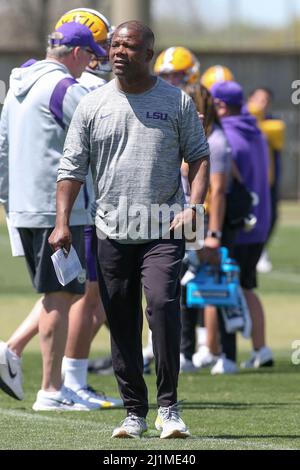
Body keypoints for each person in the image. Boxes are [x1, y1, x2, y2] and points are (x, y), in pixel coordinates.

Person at [49, 21, 210, 438]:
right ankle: (135, 412)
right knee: (121, 322)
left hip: (162, 227)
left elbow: (199, 156)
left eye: (129, 46)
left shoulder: (176, 102)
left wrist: (194, 207)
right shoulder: (92, 104)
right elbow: (71, 169)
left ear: (148, 54)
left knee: (160, 305)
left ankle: (169, 409)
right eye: (115, 45)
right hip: (110, 230)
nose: (119, 52)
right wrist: (62, 222)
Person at [0, 9, 122, 408]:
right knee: (60, 294)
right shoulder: (62, 87)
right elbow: (101, 132)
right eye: (91, 57)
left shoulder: (17, 84)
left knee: (61, 292)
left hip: (25, 204)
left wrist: (7, 201)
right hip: (59, 209)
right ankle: (51, 390)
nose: (92, 65)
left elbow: (2, 151)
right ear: (76, 53)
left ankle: (20, 358)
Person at [211, 80, 274, 369]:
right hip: (259, 222)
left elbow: (220, 183)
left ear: (221, 105)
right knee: (247, 286)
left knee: (221, 287)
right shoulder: (257, 131)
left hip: (235, 223)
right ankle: (261, 350)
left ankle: (224, 355)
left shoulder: (226, 136)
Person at [247, 87, 285, 273]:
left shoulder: (272, 125)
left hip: (266, 181)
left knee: (271, 217)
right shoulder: (242, 120)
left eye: (265, 100)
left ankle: (260, 251)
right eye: (258, 99)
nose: (262, 104)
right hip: (246, 180)